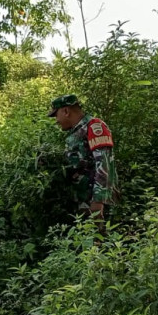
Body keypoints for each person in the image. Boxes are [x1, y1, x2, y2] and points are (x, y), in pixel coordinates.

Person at [48, 94, 118, 229]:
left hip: (96, 203)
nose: (56, 120)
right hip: (83, 201)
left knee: (102, 244)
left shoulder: (94, 127)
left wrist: (99, 201)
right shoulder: (76, 132)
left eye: (56, 115)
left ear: (66, 111)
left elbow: (104, 164)